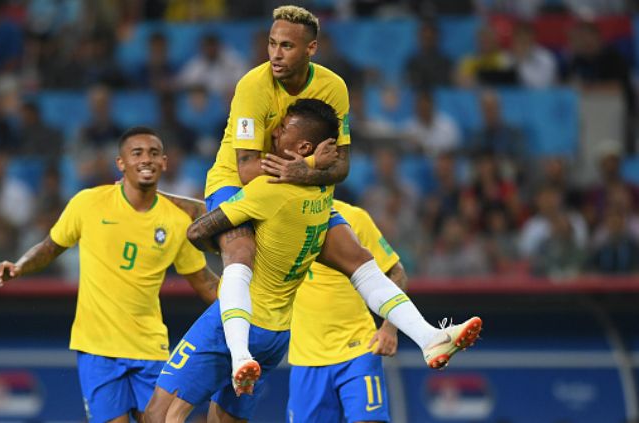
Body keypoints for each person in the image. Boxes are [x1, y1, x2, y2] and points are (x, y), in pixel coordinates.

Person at [162, 4, 481, 398]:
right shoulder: (252, 86)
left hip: (304, 192)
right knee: (241, 250)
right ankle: (241, 354)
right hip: (237, 184)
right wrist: (309, 163)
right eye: (271, 44)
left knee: (359, 260)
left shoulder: (333, 88)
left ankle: (431, 337)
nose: (275, 54)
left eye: (287, 46)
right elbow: (246, 168)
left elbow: (342, 165)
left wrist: (306, 174)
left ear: (311, 48)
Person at [145, 99, 482, 423]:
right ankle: (428, 336)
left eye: (284, 130)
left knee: (161, 414)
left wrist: (224, 237)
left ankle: (238, 357)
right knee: (363, 270)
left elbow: (200, 228)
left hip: (243, 320)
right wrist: (308, 167)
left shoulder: (267, 190)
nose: (275, 132)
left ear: (304, 147)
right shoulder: (324, 199)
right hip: (279, 336)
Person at [0, 126, 219, 423]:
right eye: (136, 153)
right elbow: (50, 247)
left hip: (149, 347)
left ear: (164, 162)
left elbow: (204, 282)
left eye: (153, 153)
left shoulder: (176, 220)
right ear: (121, 163)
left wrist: (246, 307)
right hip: (98, 348)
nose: (145, 159)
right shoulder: (89, 204)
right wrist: (20, 266)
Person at [287, 199, 407, 423]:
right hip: (306, 358)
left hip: (357, 350)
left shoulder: (354, 218)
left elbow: (396, 272)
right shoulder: (278, 218)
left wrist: (390, 328)